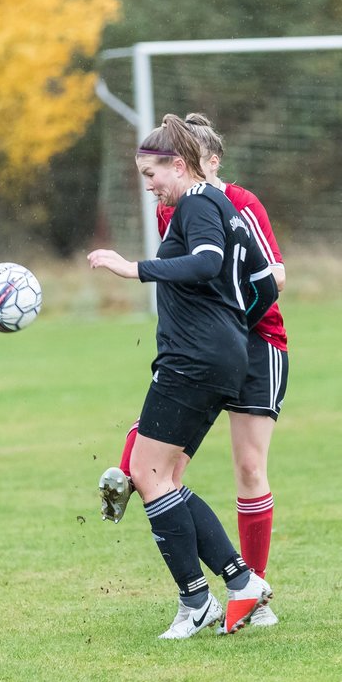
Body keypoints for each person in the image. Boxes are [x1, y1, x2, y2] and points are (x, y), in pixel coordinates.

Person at [87, 114, 280, 638]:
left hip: (194, 358)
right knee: (163, 477)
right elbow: (257, 279)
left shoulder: (196, 204)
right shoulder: (217, 203)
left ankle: (199, 600)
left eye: (152, 176)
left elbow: (206, 261)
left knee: (148, 474)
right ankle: (239, 583)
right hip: (215, 355)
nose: (149, 187)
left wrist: (136, 268)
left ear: (179, 164)